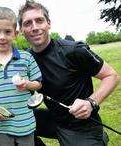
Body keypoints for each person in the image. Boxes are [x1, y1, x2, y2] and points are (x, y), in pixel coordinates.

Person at [18, 1, 120, 146]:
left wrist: (91, 103)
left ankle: (98, 139)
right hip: (53, 118)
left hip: (82, 126)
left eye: (39, 21)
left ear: (48, 23)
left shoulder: (73, 50)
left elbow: (112, 76)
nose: (34, 27)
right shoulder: (25, 59)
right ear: (21, 30)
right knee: (3, 126)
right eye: (27, 23)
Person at [0, 7, 42, 146]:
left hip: (25, 123)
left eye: (7, 32)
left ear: (15, 34)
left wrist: (26, 84)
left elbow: (38, 83)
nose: (2, 37)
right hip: (0, 126)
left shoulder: (26, 57)